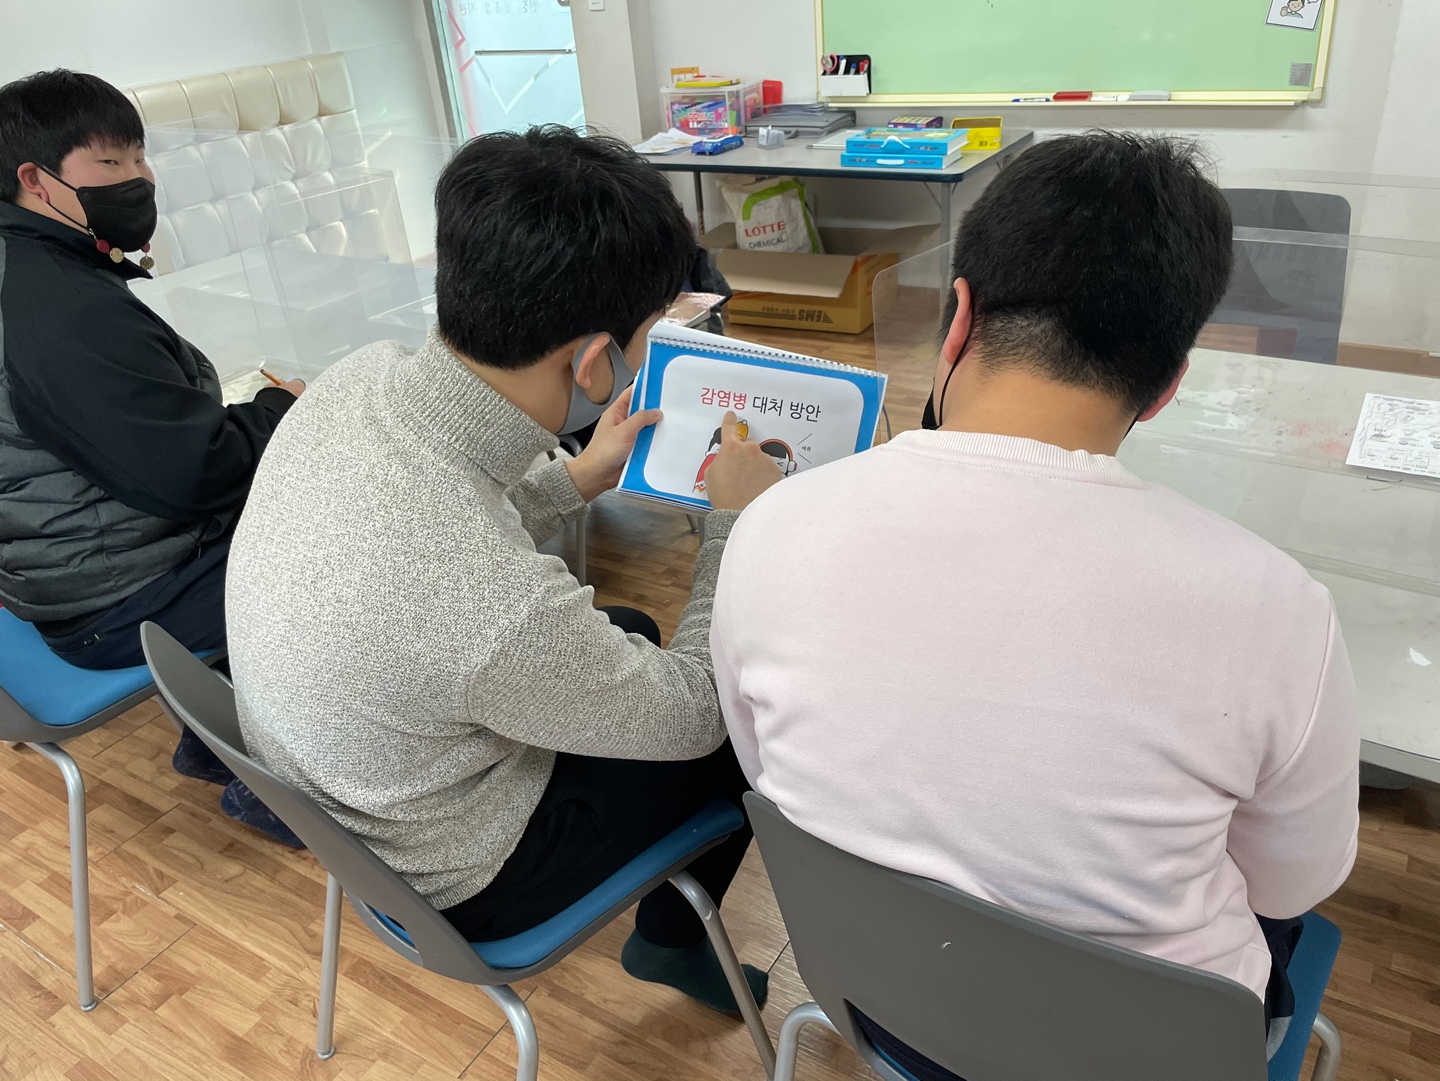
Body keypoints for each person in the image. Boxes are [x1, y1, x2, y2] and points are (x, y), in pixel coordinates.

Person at [712, 132, 1359, 1075]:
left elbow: (766, 769)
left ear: (959, 316)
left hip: (885, 1011)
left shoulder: (770, 527)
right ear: (1168, 385)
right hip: (1144, 1058)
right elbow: (1291, 882)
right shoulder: (1281, 611)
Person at [225, 126, 782, 1015]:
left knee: (630, 632)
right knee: (746, 712)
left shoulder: (355, 379)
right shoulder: (489, 604)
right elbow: (693, 715)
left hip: (344, 782)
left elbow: (440, 534)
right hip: (454, 872)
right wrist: (734, 528)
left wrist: (577, 477)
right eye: (647, 337)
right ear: (595, 362)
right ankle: (674, 944)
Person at [0, 70, 304, 844]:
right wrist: (280, 409)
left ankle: (222, 734)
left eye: (139, 157)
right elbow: (194, 473)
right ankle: (277, 781)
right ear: (35, 179)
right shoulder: (59, 307)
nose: (140, 179)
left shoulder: (30, 267)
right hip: (117, 599)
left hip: (54, 569)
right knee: (355, 536)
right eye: (111, 163)